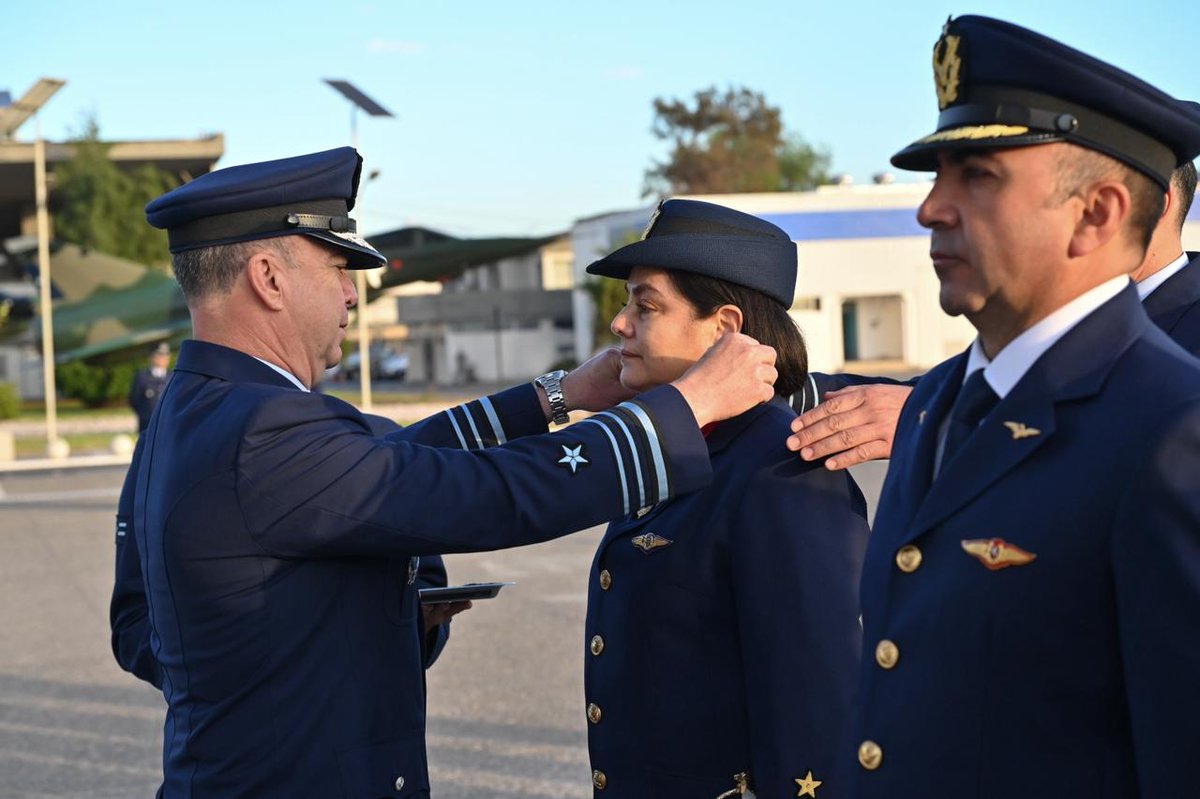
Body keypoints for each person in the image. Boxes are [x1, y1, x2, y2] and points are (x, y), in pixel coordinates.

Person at [108, 147, 778, 799]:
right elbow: (485, 493)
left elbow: (143, 630)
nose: (350, 293)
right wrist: (687, 407)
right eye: (339, 267)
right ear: (268, 277)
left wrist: (558, 395)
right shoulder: (265, 429)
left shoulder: (192, 411)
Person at [834, 16, 1200, 799]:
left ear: (1096, 214)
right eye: (936, 175)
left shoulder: (1174, 430)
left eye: (978, 175)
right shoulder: (935, 403)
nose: (930, 208)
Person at [580, 199, 869, 798]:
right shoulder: (677, 446)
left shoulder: (782, 469)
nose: (620, 324)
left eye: (646, 305)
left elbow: (815, 697)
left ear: (725, 329)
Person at [788, 160, 1200, 469]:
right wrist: (772, 385)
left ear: (1145, 207)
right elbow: (915, 394)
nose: (931, 212)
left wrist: (943, 429)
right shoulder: (1052, 326)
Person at [128, 341, 171, 432]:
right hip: (147, 425)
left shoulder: (173, 377)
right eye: (159, 355)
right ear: (152, 356)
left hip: (167, 425)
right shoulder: (142, 377)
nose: (162, 358)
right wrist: (145, 415)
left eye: (165, 355)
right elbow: (134, 400)